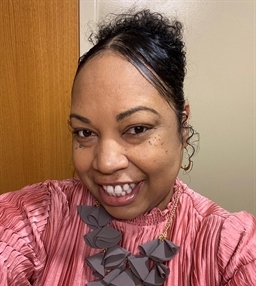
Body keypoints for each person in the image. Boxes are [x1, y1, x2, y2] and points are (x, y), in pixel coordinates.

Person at [0, 9, 255, 286]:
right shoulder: (36, 217)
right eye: (85, 132)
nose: (105, 163)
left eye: (137, 129)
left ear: (182, 125)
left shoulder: (229, 248)